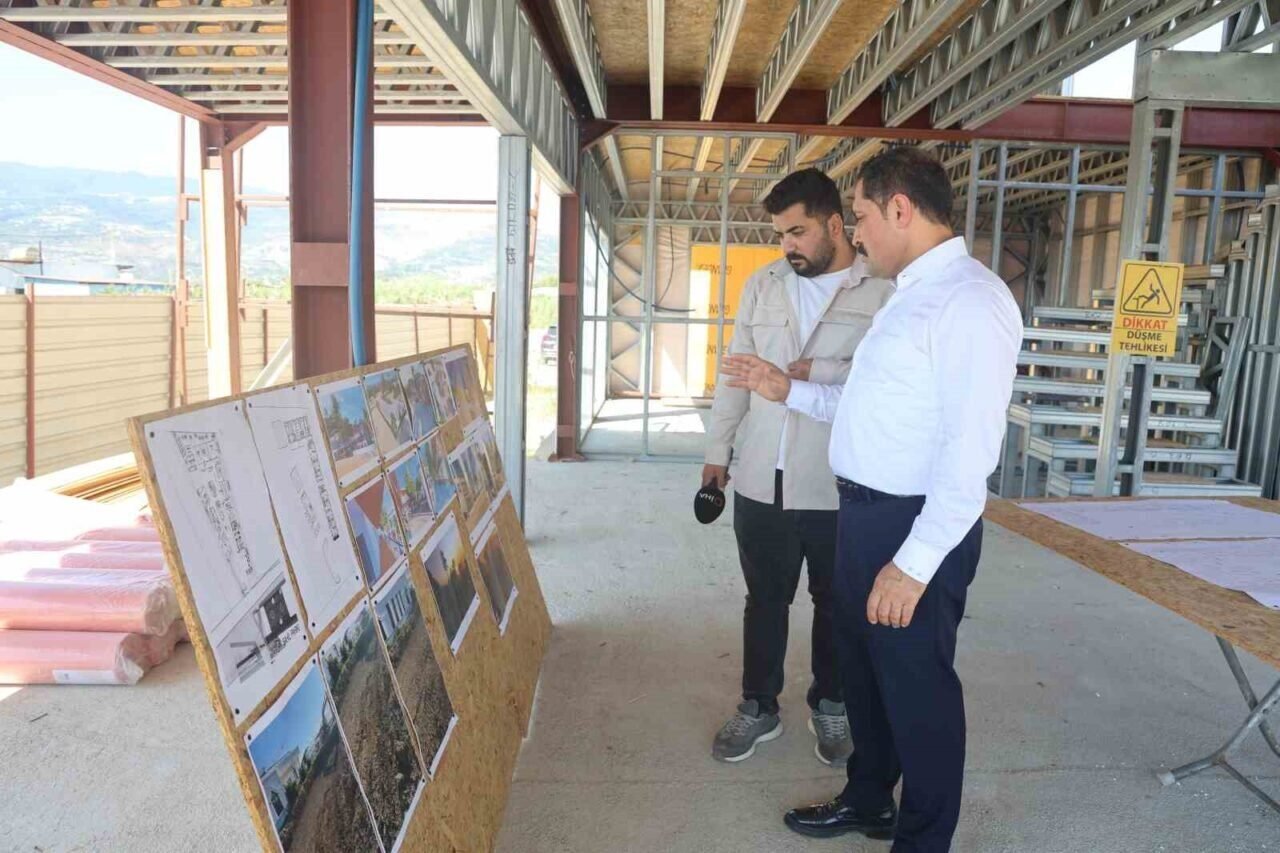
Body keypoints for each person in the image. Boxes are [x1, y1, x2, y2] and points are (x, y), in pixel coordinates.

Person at [720, 147, 1023, 851]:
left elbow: (971, 453)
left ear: (900, 209)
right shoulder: (908, 293)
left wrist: (913, 563)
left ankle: (923, 839)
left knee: (917, 690)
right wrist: (786, 390)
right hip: (861, 515)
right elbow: (864, 404)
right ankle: (869, 799)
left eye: (859, 216)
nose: (855, 232)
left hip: (910, 521)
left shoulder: (970, 302)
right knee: (865, 675)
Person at [704, 168, 893, 766]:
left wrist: (820, 373)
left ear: (835, 225)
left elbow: (887, 383)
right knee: (764, 599)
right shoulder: (763, 286)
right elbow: (735, 374)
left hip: (838, 482)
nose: (787, 246)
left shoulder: (882, 292)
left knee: (837, 602)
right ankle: (758, 706)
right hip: (763, 474)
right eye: (780, 235)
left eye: (797, 232)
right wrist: (717, 454)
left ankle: (831, 704)